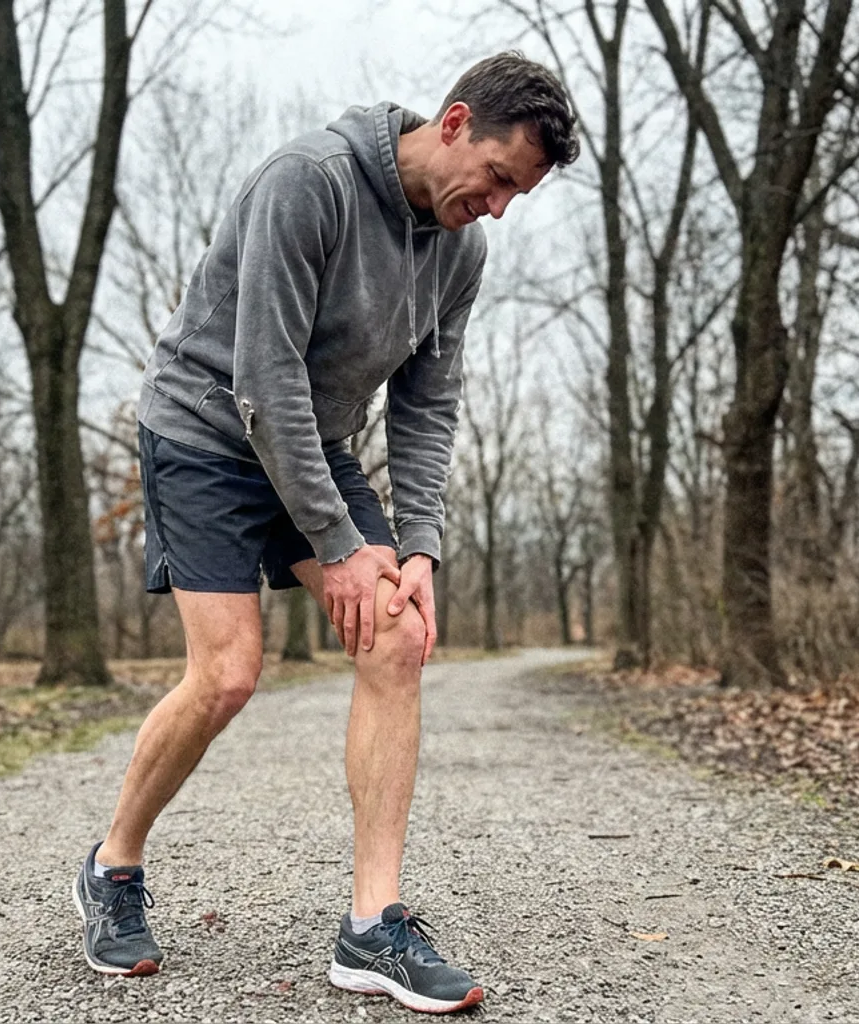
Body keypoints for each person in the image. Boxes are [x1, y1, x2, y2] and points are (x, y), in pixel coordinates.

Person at [72, 51, 579, 1015]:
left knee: (398, 636)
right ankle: (114, 865)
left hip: (315, 439)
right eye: (497, 179)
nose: (499, 208)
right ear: (455, 122)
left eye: (518, 194)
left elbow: (428, 407)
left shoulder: (461, 252)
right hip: (206, 431)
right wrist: (341, 547)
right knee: (227, 675)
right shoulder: (309, 182)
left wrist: (418, 546)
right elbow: (263, 382)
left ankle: (372, 927)